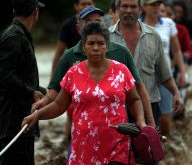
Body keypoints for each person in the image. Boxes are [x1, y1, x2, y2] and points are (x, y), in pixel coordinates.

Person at [22, 21, 146, 165]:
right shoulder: (73, 73)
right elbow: (58, 105)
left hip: (117, 144)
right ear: (83, 46)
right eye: (91, 43)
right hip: (84, 146)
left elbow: (134, 100)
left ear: (107, 46)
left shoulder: (121, 70)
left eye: (100, 43)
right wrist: (37, 115)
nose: (96, 48)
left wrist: (141, 121)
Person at [32, 6, 155, 144]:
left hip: (116, 140)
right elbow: (58, 99)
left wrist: (146, 123)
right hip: (83, 140)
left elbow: (137, 92)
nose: (96, 48)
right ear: (79, 29)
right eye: (89, 22)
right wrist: (40, 108)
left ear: (106, 46)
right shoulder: (71, 63)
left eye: (98, 21)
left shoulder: (121, 58)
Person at [109, 0, 184, 127]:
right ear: (118, 9)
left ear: (140, 9)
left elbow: (164, 72)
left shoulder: (153, 35)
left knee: (147, 146)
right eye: (124, 6)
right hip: (115, 105)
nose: (129, 10)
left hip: (149, 103)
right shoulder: (106, 37)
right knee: (119, 147)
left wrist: (176, 93)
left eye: (133, 7)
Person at [0, 0, 46, 165]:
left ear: (14, 11)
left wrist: (42, 91)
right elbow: (5, 77)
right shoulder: (13, 37)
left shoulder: (20, 35)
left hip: (23, 116)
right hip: (12, 120)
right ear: (35, 12)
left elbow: (18, 75)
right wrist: (31, 92)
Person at [141, 0, 186, 137]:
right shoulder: (138, 26)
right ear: (143, 7)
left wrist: (182, 73)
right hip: (145, 77)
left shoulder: (168, 24)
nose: (156, 7)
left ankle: (165, 148)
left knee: (166, 117)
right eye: (152, 4)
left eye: (158, 4)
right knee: (148, 116)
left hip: (165, 76)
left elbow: (177, 50)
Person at [51, 0, 95, 78]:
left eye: (89, 4)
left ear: (94, 5)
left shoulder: (100, 24)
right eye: (83, 4)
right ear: (76, 6)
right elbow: (59, 54)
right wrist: (53, 79)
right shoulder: (67, 26)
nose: (87, 7)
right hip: (74, 70)